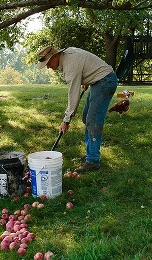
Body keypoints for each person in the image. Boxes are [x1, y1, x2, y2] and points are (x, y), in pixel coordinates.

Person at [37, 45, 118, 173]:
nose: (48, 67)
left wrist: (66, 120)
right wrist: (86, 79)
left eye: (48, 63)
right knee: (87, 117)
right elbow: (85, 61)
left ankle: (93, 161)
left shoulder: (70, 67)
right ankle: (90, 153)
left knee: (93, 120)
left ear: (56, 56)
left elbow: (73, 96)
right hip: (98, 81)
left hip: (105, 81)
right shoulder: (69, 53)